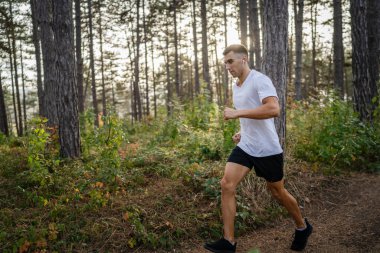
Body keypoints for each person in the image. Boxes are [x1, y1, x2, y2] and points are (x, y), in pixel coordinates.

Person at [204, 44, 312, 253]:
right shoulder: (236, 86)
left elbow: (273, 109)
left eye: (230, 61)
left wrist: (237, 113)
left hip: (267, 149)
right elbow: (251, 116)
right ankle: (228, 241)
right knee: (227, 184)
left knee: (278, 192)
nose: (227, 67)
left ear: (243, 59)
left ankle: (302, 227)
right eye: (225, 63)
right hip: (247, 146)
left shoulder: (260, 80)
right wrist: (243, 132)